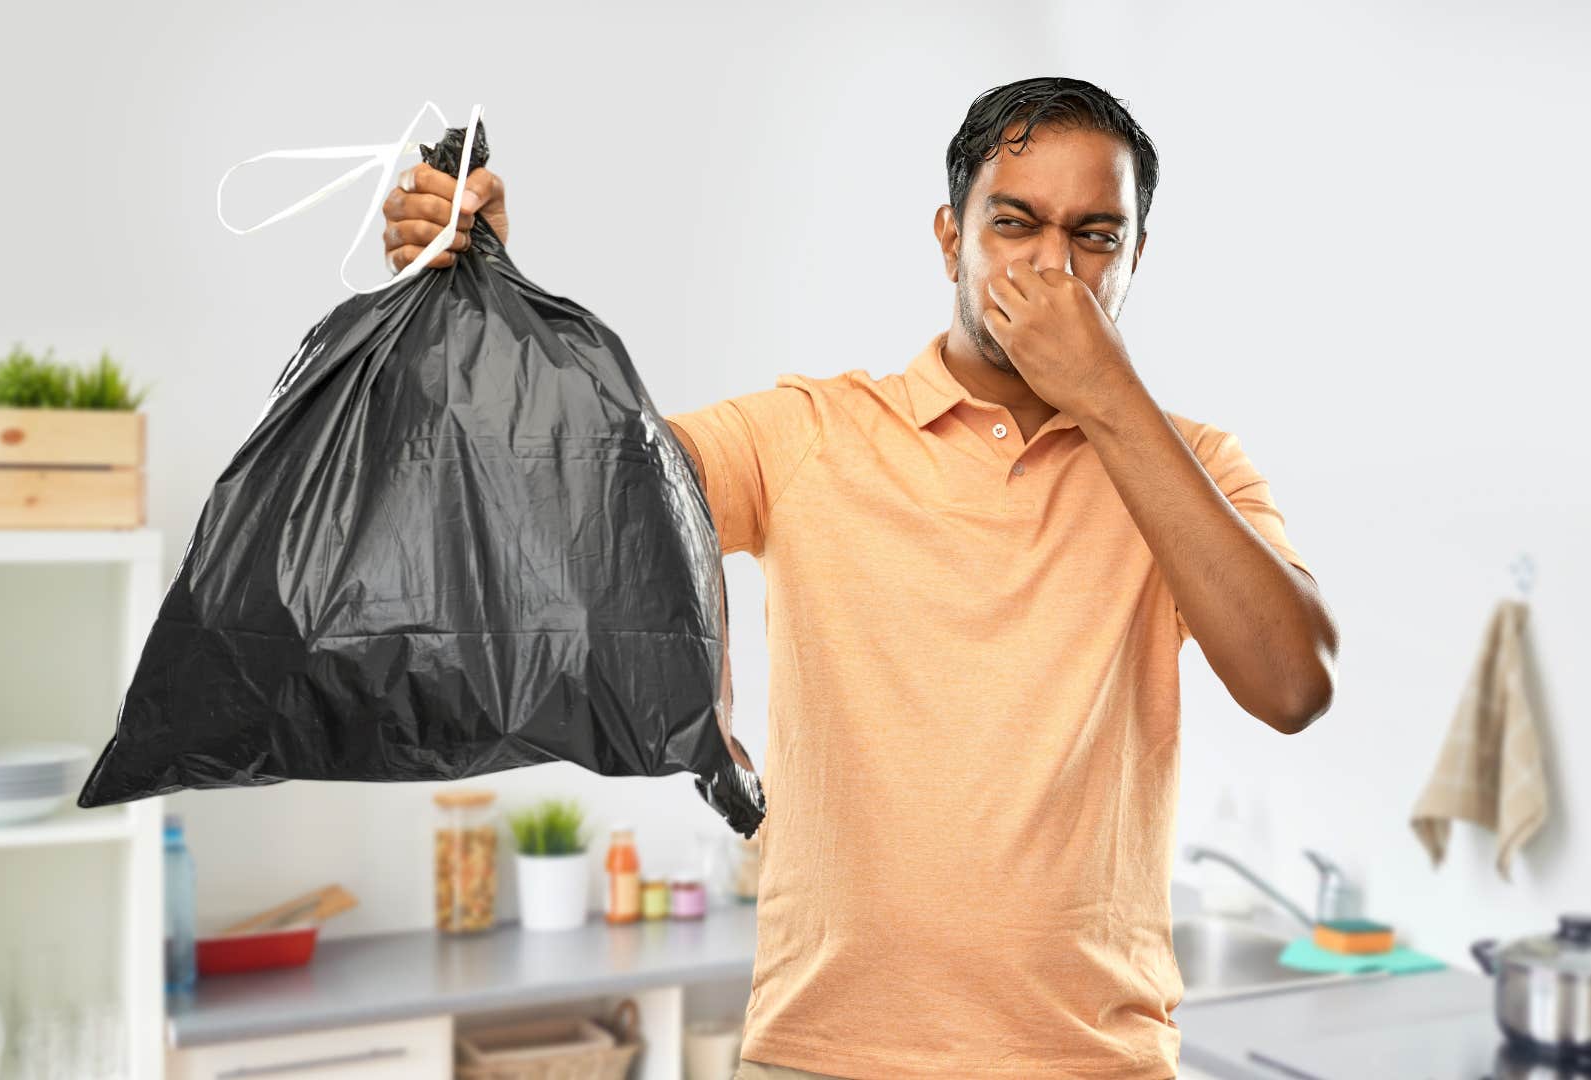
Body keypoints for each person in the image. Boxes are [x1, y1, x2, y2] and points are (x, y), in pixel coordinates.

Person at [383, 75, 1339, 1080]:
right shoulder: (809, 434)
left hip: (1097, 1063)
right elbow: (559, 500)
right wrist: (476, 302)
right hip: (822, 1058)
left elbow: (1292, 684)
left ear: (1135, 257)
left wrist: (1108, 395)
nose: (1055, 269)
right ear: (949, 239)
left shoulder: (1195, 468)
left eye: (1095, 236)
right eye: (1015, 223)